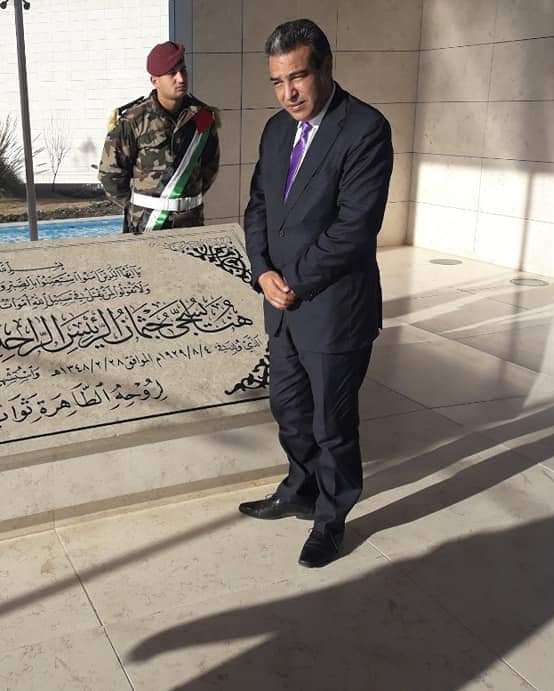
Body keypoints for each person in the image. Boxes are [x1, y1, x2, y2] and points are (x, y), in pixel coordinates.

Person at [238, 19, 393, 568]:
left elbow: (355, 228)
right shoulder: (276, 130)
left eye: (298, 77)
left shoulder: (365, 129)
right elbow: (259, 206)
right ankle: (300, 489)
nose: (288, 94)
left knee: (333, 424)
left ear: (325, 67)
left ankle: (331, 517)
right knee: (289, 409)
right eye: (277, 82)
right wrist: (262, 271)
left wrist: (293, 282)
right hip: (280, 305)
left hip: (332, 309)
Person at [98, 41, 220, 234]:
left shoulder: (202, 117)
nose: (180, 78)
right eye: (172, 73)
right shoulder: (134, 121)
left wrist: (183, 198)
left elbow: (210, 166)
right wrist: (137, 208)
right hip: (147, 225)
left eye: (183, 70)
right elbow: (110, 176)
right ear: (155, 81)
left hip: (190, 223)